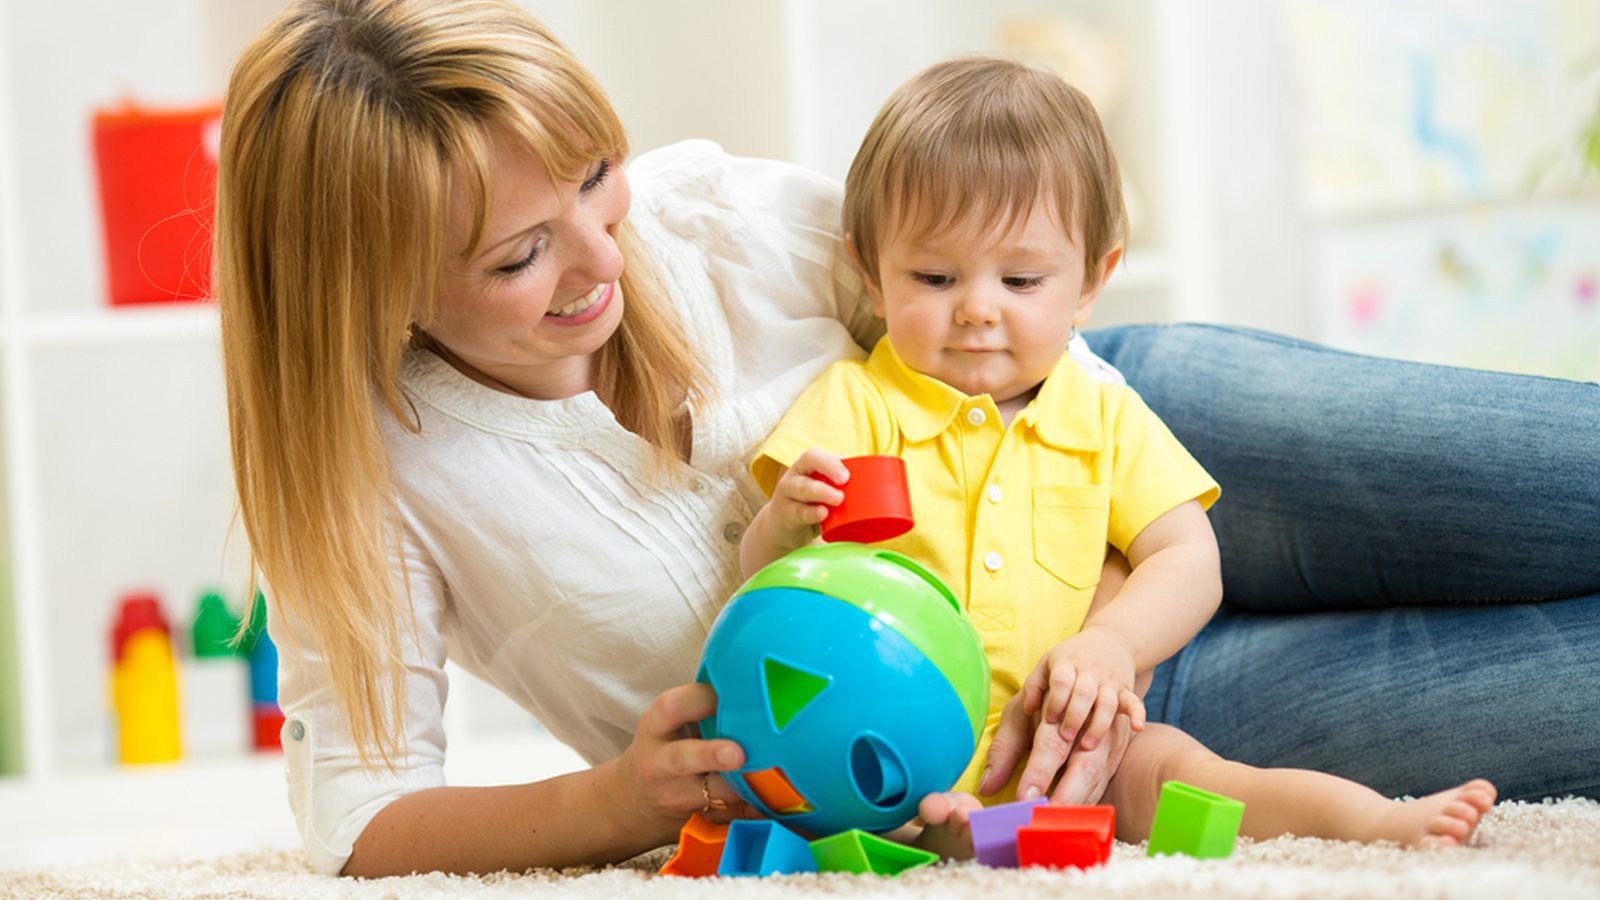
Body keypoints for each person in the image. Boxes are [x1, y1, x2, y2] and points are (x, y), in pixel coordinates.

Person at [214, 0, 1600, 879]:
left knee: (1566, 479)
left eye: (595, 180)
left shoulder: (715, 217)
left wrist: (1115, 610)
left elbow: (978, 254)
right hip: (1079, 742)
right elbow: (365, 822)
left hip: (1117, 436)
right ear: (376, 293)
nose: (600, 257)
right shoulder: (378, 485)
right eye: (521, 255)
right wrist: (621, 801)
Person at [741, 57, 1500, 853]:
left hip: (1085, 738)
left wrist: (1114, 643)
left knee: (1197, 775)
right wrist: (787, 524)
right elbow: (765, 578)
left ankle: (1375, 823)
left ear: (1090, 282)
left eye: (1023, 280)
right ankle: (951, 838)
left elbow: (1188, 557)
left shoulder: (1103, 413)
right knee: (872, 813)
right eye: (934, 276)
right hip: (894, 738)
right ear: (869, 271)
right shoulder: (857, 403)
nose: (976, 308)